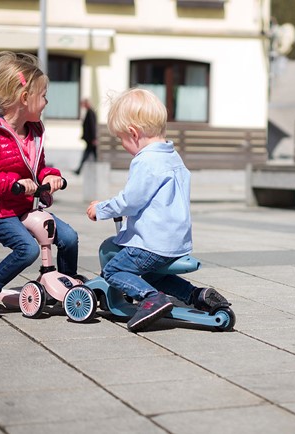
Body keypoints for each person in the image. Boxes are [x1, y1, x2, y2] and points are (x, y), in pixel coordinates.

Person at [86, 88, 230, 332]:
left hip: (152, 243)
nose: (123, 144)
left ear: (133, 133)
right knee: (154, 274)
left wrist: (101, 208)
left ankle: (151, 299)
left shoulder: (145, 160)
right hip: (176, 242)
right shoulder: (173, 156)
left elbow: (130, 201)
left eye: (121, 138)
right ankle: (198, 295)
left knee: (114, 269)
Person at [0, 51, 79, 320]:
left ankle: (66, 285)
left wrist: (51, 177)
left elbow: (39, 168)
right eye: (44, 95)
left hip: (24, 208)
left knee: (69, 237)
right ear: (25, 98)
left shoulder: (33, 132)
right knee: (27, 249)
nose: (47, 102)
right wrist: (12, 184)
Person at [74, 98, 97, 175]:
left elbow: (92, 126)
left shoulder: (90, 113)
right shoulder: (89, 112)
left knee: (88, 154)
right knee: (92, 154)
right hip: (90, 139)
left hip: (91, 139)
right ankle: (80, 169)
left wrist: (94, 138)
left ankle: (79, 169)